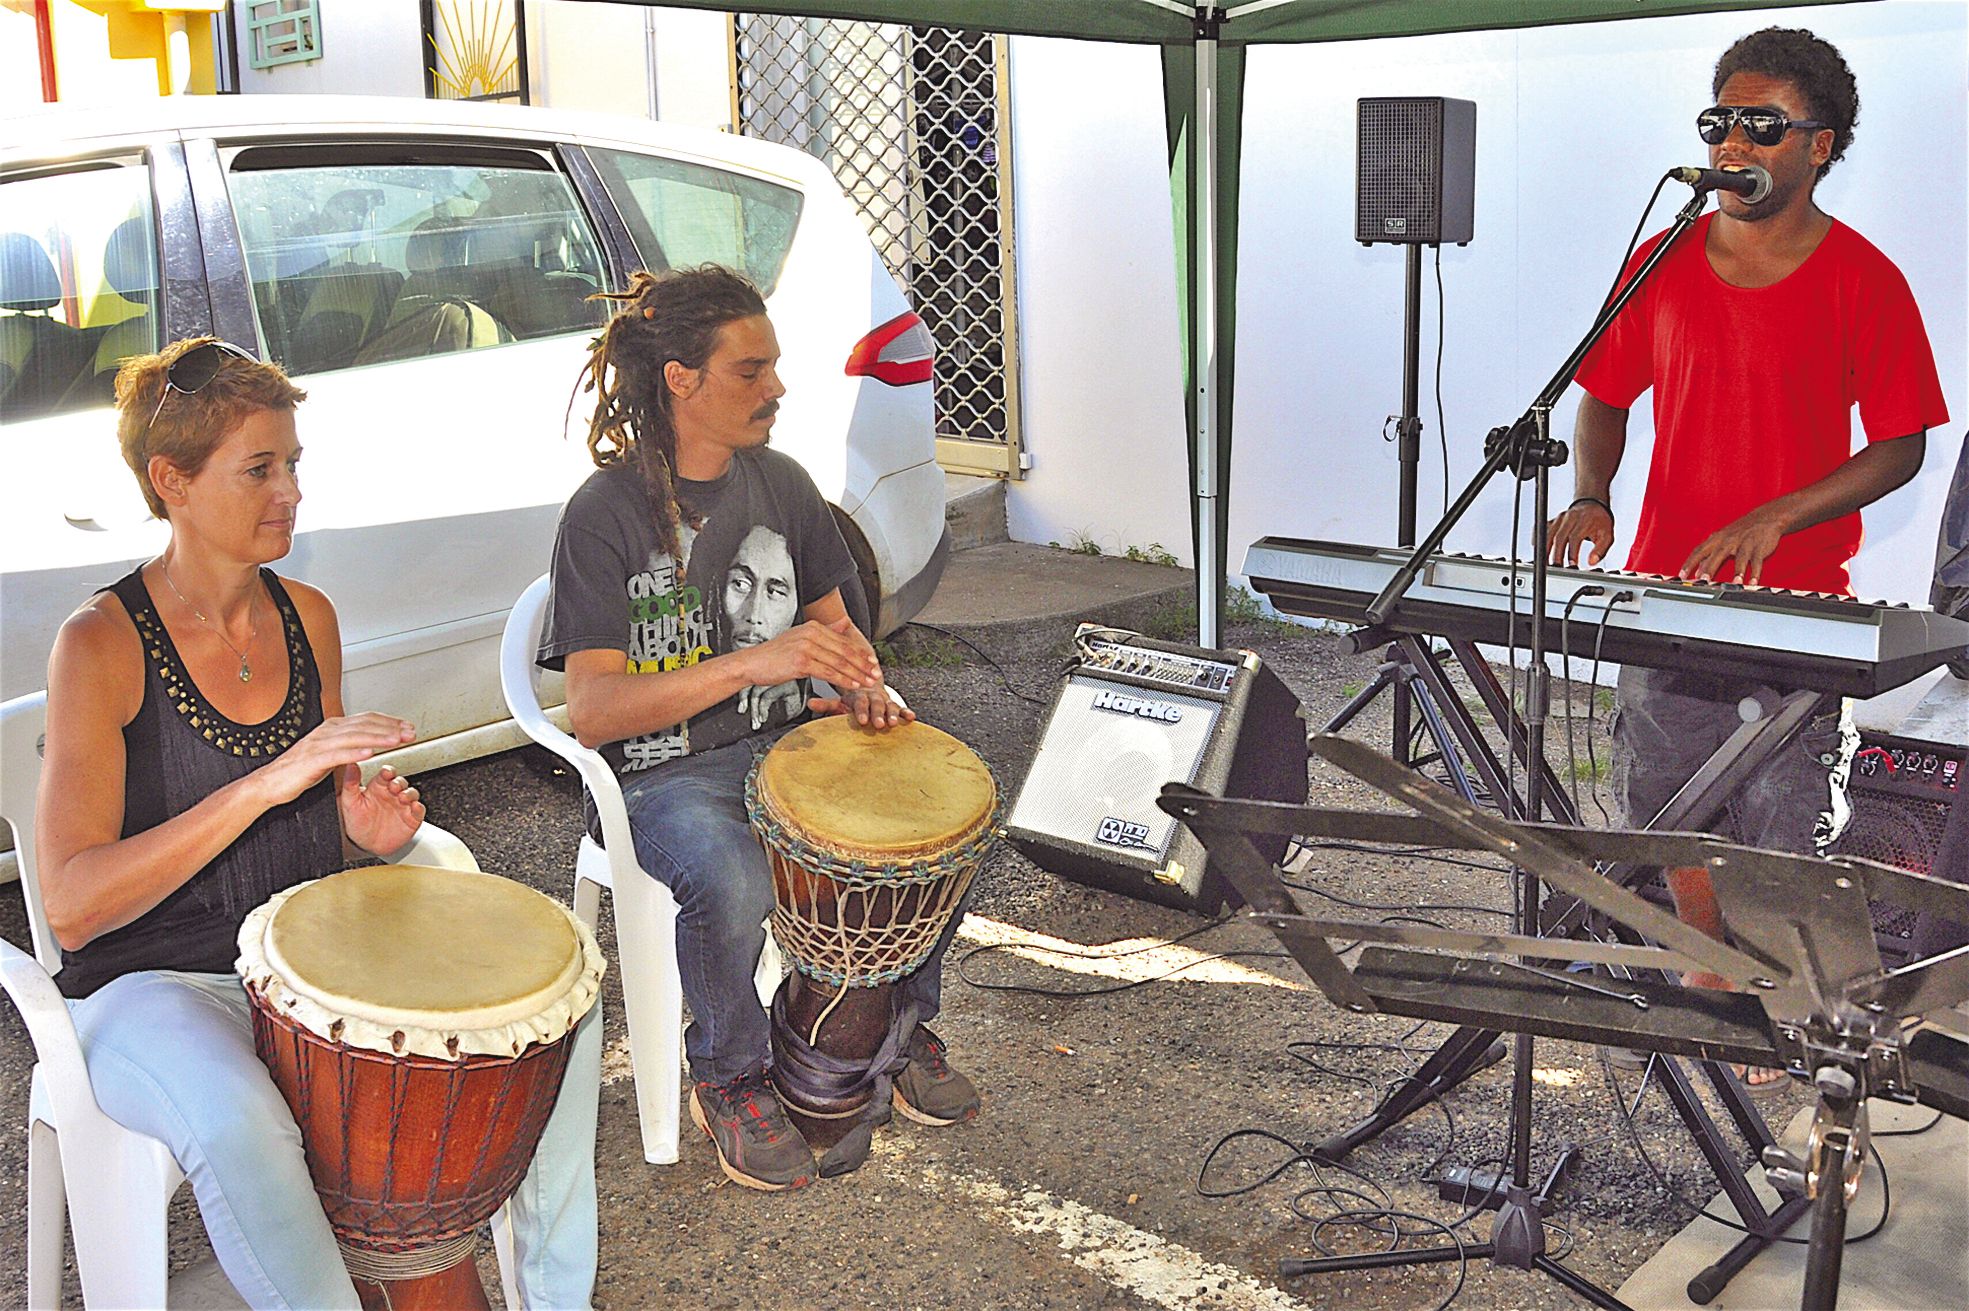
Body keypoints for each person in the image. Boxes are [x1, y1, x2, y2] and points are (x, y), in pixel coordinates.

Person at [36, 337, 601, 1309]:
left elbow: (320, 821)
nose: (290, 490)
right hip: (151, 985)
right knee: (239, 1118)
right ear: (170, 480)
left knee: (549, 1020)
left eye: (294, 463)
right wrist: (260, 785)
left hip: (302, 965)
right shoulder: (100, 644)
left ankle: (556, 1296)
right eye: (259, 468)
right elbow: (74, 905)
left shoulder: (309, 616)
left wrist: (362, 834)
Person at [1545, 29, 1950, 1082]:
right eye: (1718, 122)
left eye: (1759, 125)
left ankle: (1770, 984)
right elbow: (1602, 395)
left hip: (1797, 601)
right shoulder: (1662, 260)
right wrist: (1590, 492)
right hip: (1668, 585)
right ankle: (1704, 975)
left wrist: (1781, 515)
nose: (1732, 141)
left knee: (1776, 808)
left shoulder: (1866, 279)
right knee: (1664, 793)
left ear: (1818, 145)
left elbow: (1902, 443)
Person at [538, 265, 980, 1192]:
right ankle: (731, 1075)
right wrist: (755, 663)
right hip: (658, 775)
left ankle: (892, 1029)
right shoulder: (604, 513)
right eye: (750, 371)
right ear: (679, 380)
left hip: (789, 748)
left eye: (774, 367)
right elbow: (594, 710)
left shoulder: (782, 482)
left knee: (940, 828)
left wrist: (862, 683)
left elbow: (837, 625)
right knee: (733, 873)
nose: (775, 389)